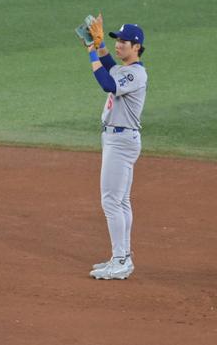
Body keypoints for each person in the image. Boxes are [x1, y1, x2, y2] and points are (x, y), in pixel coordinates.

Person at [82, 15, 148, 280]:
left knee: (111, 201)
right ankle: (122, 257)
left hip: (120, 142)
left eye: (124, 42)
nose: (119, 45)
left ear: (137, 47)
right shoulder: (126, 69)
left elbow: (107, 83)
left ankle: (120, 261)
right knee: (120, 201)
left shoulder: (136, 73)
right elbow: (111, 68)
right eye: (117, 41)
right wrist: (100, 47)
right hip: (119, 139)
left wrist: (91, 52)